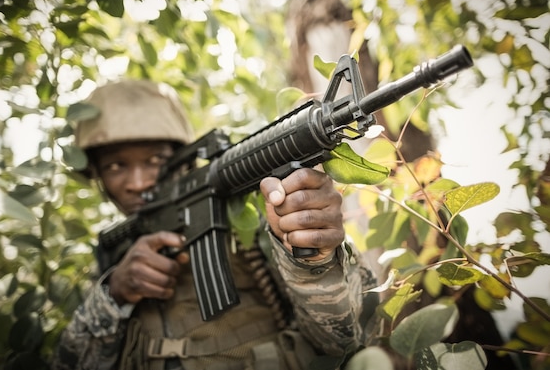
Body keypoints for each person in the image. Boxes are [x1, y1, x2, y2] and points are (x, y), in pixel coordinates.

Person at [52, 79, 378, 370]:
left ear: (185, 159)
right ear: (97, 175)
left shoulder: (249, 219)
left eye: (154, 160)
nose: (137, 182)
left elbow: (349, 342)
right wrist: (115, 294)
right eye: (115, 165)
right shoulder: (112, 259)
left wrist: (313, 259)